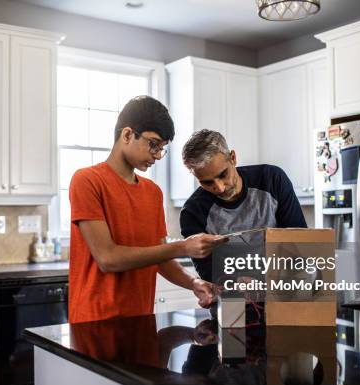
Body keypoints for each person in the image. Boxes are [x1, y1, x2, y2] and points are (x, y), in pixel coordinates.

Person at [68, 96, 224, 324]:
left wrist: (193, 282)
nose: (158, 155)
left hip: (141, 319)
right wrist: (182, 247)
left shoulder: (153, 192)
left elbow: (159, 257)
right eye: (153, 144)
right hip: (94, 323)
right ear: (127, 134)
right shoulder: (87, 180)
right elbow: (107, 258)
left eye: (162, 149)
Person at [179, 129, 307, 282]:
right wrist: (235, 282)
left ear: (232, 158)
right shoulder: (193, 212)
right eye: (207, 182)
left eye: (223, 174)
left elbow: (300, 242)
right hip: (234, 299)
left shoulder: (272, 179)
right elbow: (209, 274)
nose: (219, 188)